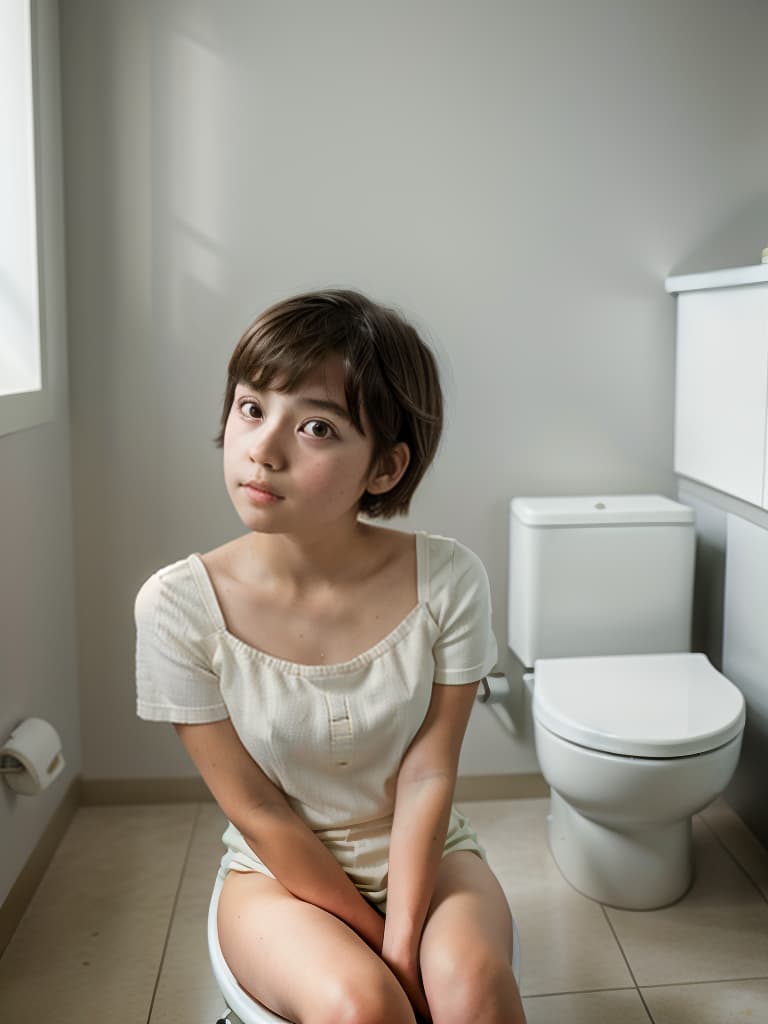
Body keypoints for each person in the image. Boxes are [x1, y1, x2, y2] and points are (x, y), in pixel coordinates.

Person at [134, 289, 526, 1024]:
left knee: (472, 992)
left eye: (315, 426)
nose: (263, 447)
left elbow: (429, 769)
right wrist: (379, 955)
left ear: (384, 468)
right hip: (274, 873)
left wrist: (403, 941)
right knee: (362, 1006)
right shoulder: (178, 607)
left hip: (429, 856)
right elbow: (257, 810)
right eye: (252, 408)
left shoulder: (448, 580)